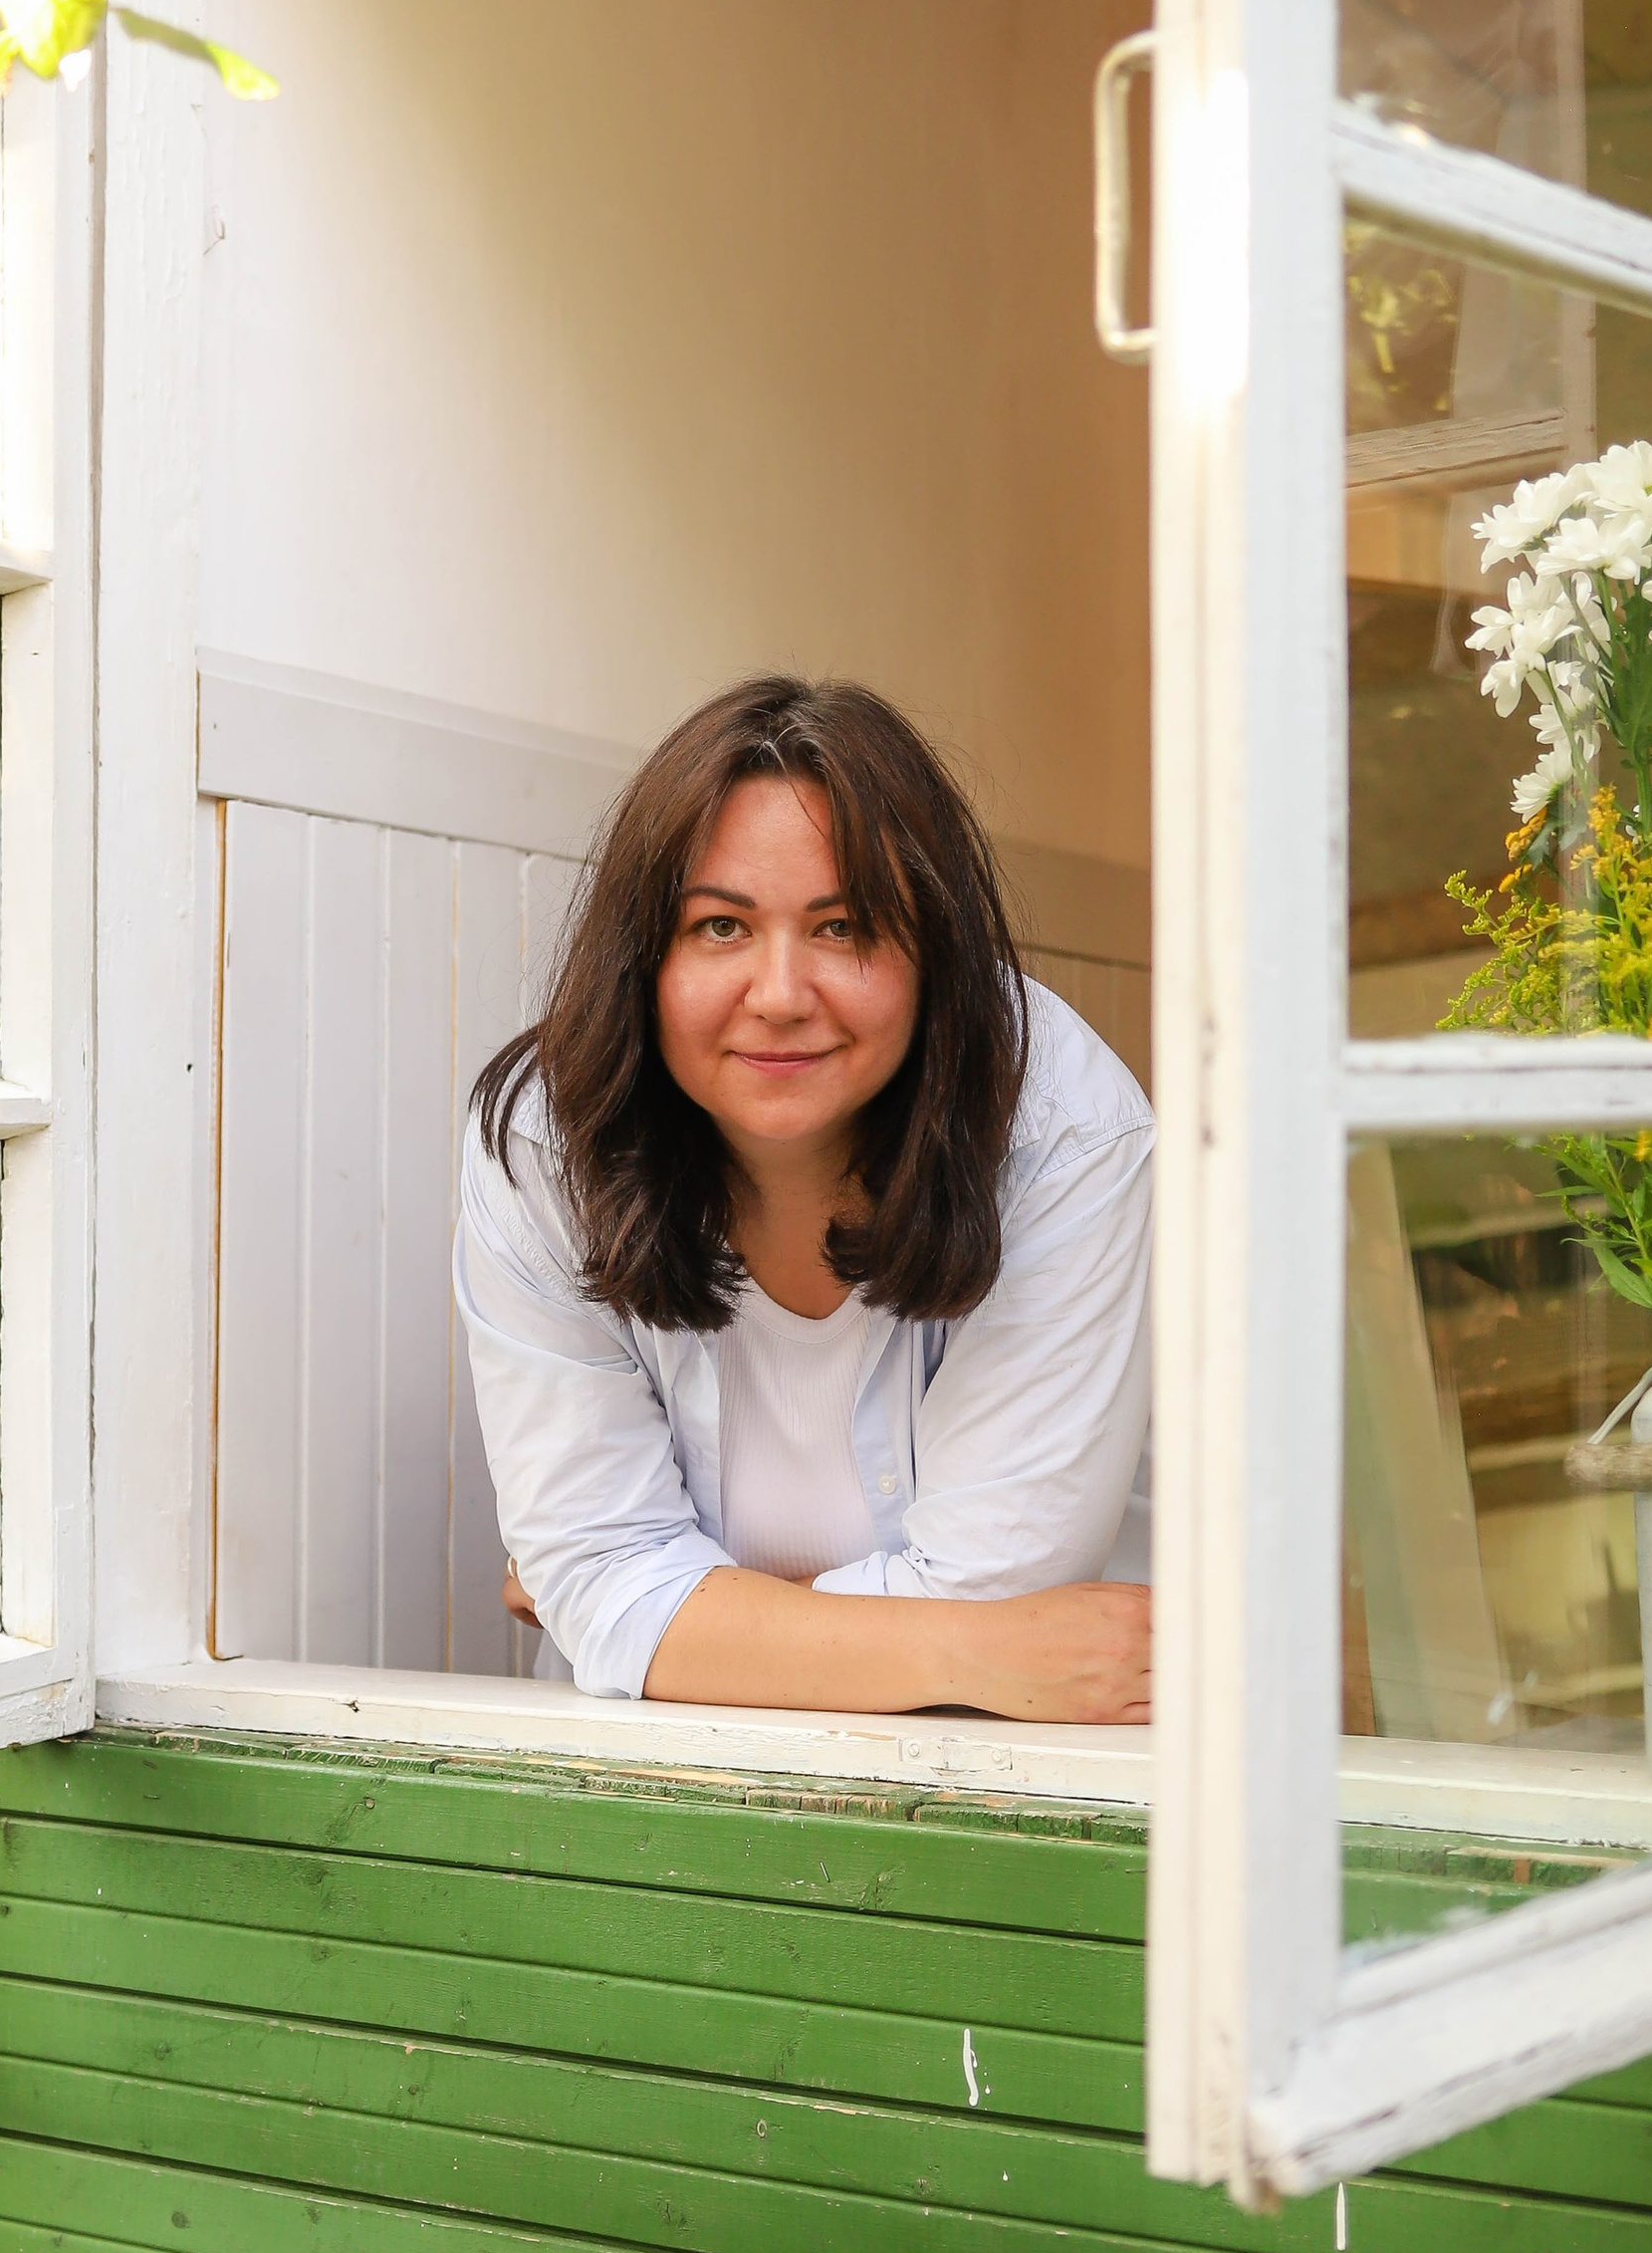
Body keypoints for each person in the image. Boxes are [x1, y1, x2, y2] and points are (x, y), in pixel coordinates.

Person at [456, 674, 1152, 1719]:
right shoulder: (545, 1138)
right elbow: (600, 1580)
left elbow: (994, 1584)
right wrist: (970, 1650)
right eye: (720, 929)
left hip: (1042, 1790)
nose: (780, 998)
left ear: (935, 951)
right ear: (643, 957)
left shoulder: (1064, 1130)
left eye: (843, 927)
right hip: (676, 1796)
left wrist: (659, 1613)